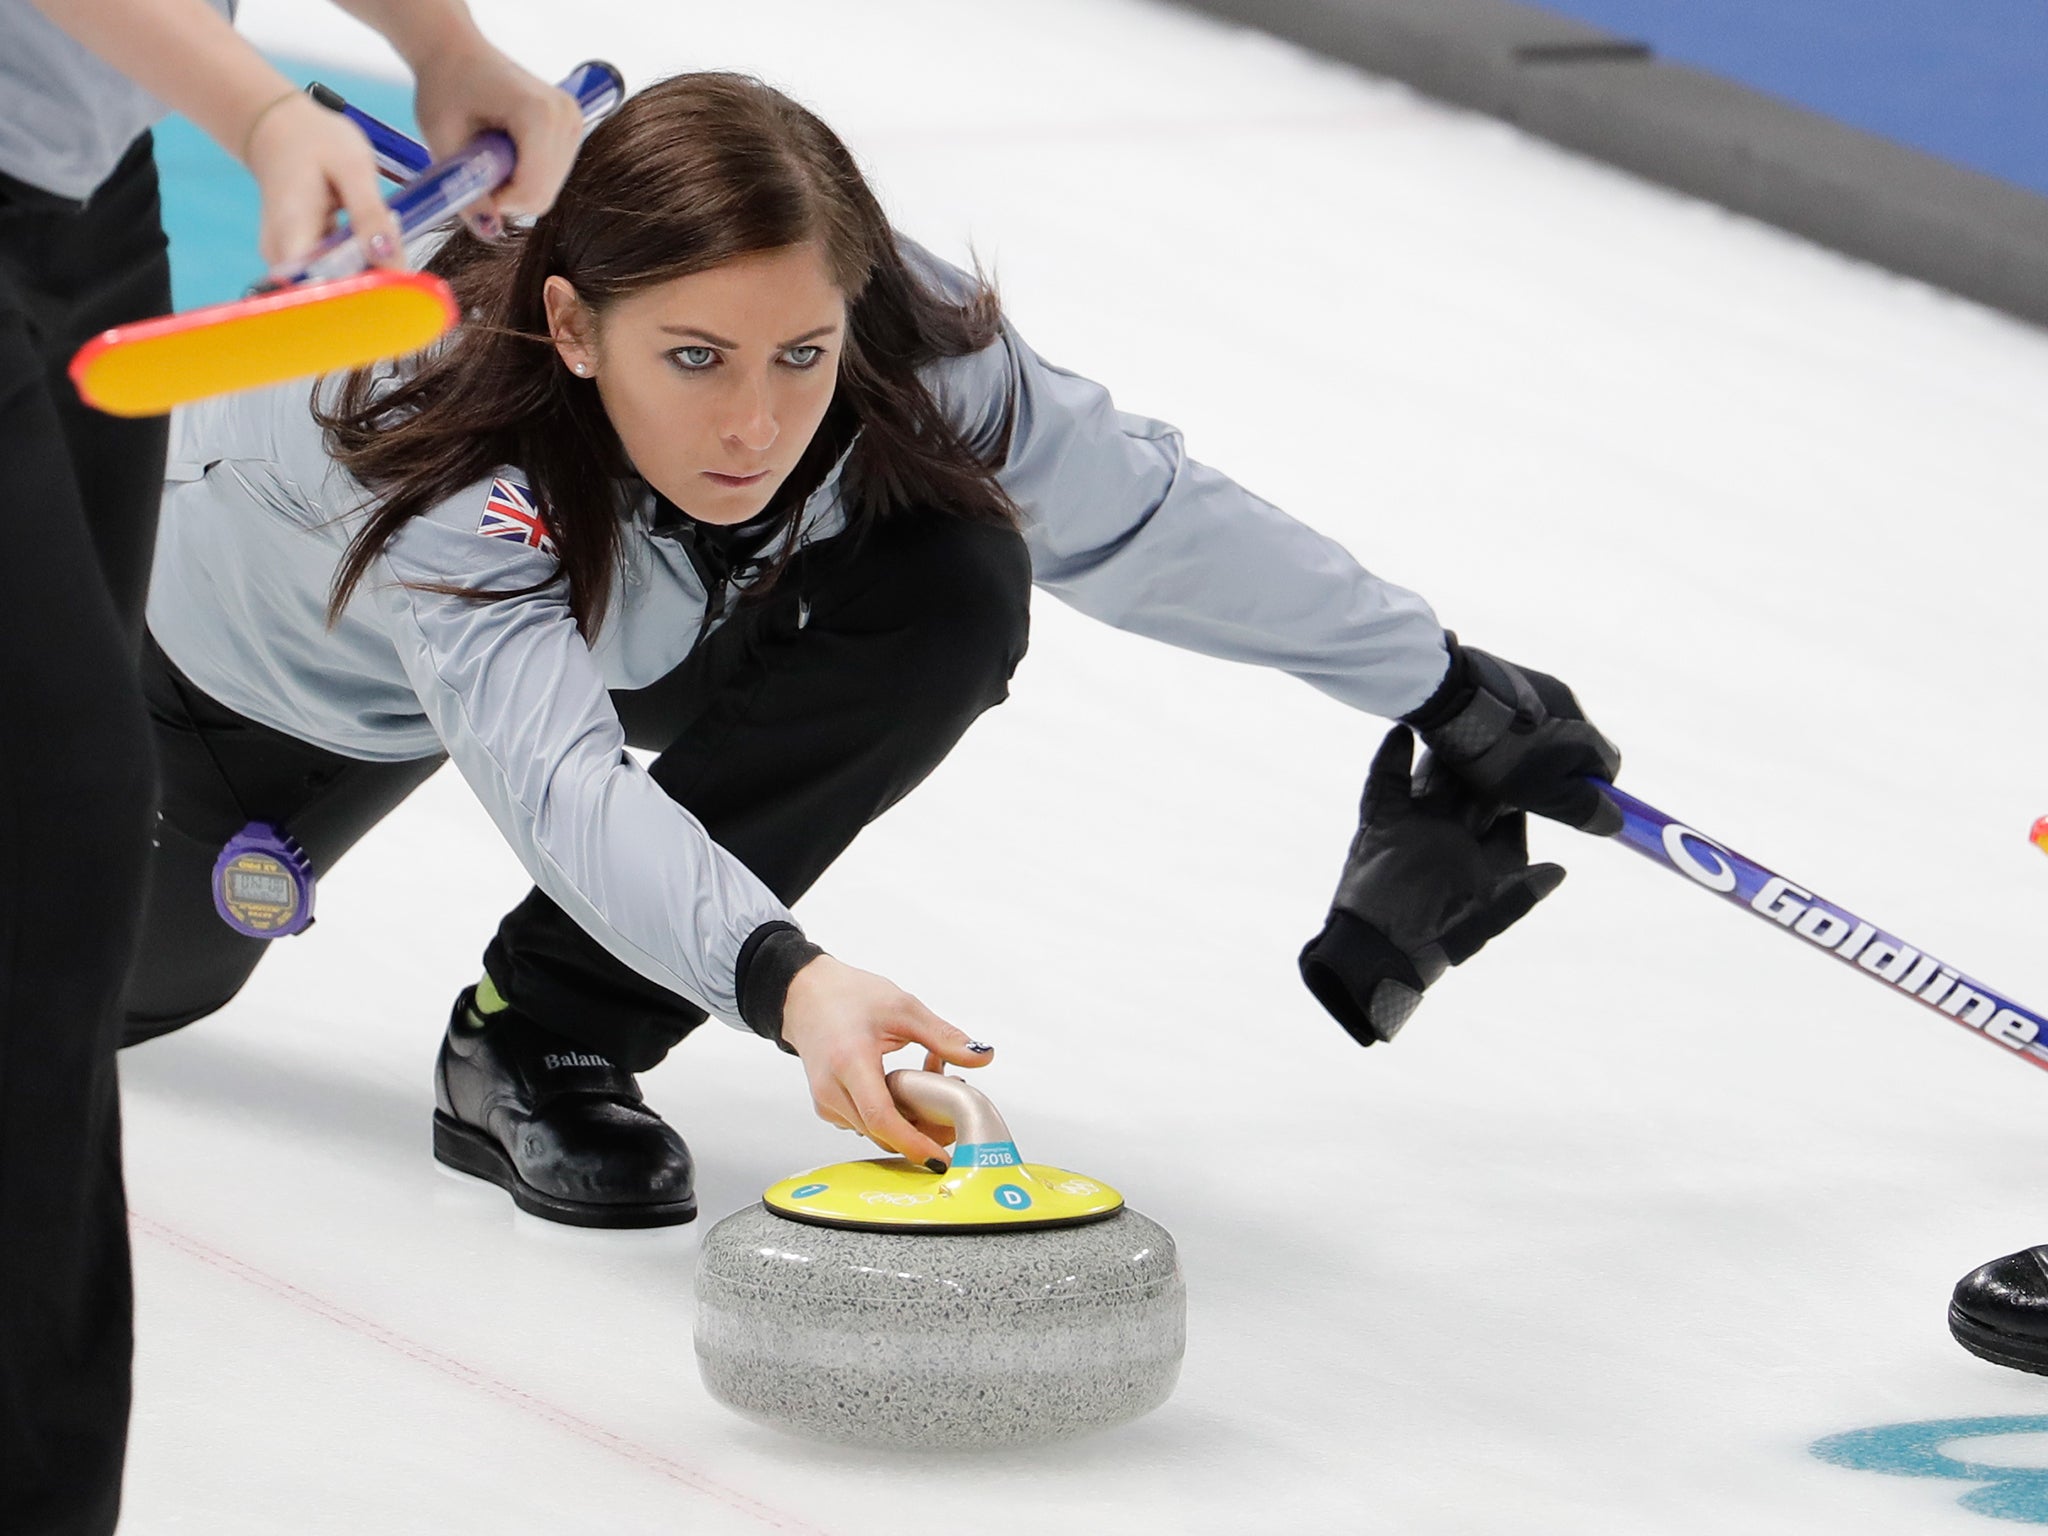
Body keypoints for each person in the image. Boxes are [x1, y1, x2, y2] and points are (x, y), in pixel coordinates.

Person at [123, 71, 1621, 1236]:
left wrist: (1442, 686)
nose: (758, 427)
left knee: (953, 580)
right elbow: (562, 785)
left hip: (653, 596)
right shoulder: (451, 466)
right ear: (575, 329)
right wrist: (790, 982)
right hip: (271, 681)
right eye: (695, 360)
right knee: (122, 990)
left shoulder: (883, 327)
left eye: (801, 355)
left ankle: (540, 1039)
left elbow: (1139, 511)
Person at [2, 3, 582, 1531]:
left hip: (80, 181)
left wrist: (439, 43)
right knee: (50, 849)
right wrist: (257, 112)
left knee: (53, 875)